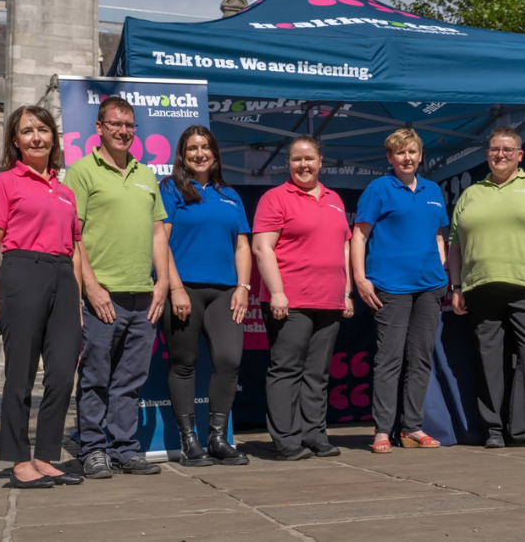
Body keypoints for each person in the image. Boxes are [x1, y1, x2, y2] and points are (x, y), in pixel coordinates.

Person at [0, 105, 85, 488]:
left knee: (61, 374)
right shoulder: (5, 182)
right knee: (20, 374)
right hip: (21, 271)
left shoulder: (67, 192)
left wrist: (76, 302)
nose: (36, 137)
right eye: (27, 131)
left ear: (54, 138)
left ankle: (46, 456)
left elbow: (74, 249)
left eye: (43, 129)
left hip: (62, 276)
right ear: (16, 141)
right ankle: (19, 459)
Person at [65, 96, 172, 479]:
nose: (123, 131)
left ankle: (125, 448)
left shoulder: (146, 175)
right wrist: (89, 287)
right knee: (95, 376)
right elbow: (73, 236)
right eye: (115, 124)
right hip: (102, 297)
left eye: (129, 125)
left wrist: (163, 284)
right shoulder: (80, 172)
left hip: (144, 296)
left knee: (131, 379)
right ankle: (93, 448)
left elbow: (159, 231)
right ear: (99, 128)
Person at [449, 126, 525, 449]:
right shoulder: (471, 193)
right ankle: (493, 430)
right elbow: (454, 245)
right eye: (493, 149)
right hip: (481, 289)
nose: (499, 155)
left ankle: (522, 430)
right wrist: (457, 285)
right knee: (489, 361)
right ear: (487, 153)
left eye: (507, 150)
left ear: (520, 155)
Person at [253, 135, 353, 461]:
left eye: (309, 158)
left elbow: (345, 246)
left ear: (321, 162)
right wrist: (278, 293)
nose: (303, 164)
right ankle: (287, 441)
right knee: (286, 370)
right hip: (291, 300)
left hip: (330, 299)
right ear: (288, 163)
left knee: (317, 374)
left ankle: (315, 435)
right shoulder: (275, 198)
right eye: (297, 159)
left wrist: (347, 292)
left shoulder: (335, 199)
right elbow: (261, 247)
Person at [351, 128, 448, 454]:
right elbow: (359, 236)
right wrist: (361, 279)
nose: (406, 158)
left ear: (420, 155)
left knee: (420, 360)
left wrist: (443, 270)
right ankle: (382, 430)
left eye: (412, 152)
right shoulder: (378, 189)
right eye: (399, 153)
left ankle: (412, 428)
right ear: (390, 158)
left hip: (429, 287)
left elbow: (438, 236)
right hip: (390, 287)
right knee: (389, 360)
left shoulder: (433, 190)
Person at [160, 125, 252, 466]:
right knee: (184, 365)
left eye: (205, 147)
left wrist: (243, 287)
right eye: (192, 149)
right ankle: (189, 443)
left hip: (226, 292)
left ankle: (217, 439)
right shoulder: (170, 189)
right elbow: (161, 243)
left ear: (215, 153)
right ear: (183, 156)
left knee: (229, 361)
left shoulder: (231, 195)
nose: (199, 154)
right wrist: (175, 288)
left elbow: (242, 245)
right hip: (184, 291)